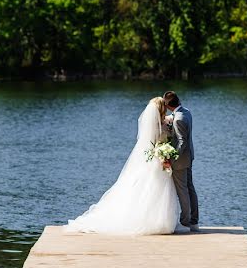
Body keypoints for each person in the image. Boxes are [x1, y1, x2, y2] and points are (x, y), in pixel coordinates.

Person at [65, 97, 180, 235]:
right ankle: (153, 221)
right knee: (153, 190)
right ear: (162, 108)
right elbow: (155, 143)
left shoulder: (162, 122)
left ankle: (161, 221)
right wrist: (162, 154)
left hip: (157, 160)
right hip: (157, 160)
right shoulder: (156, 126)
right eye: (164, 106)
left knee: (155, 190)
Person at [163, 90, 199, 232]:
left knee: (182, 190)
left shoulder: (178, 119)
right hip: (189, 156)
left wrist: (172, 157)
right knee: (190, 188)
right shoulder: (186, 111)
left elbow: (182, 142)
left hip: (180, 159)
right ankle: (194, 221)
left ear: (168, 105)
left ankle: (185, 223)